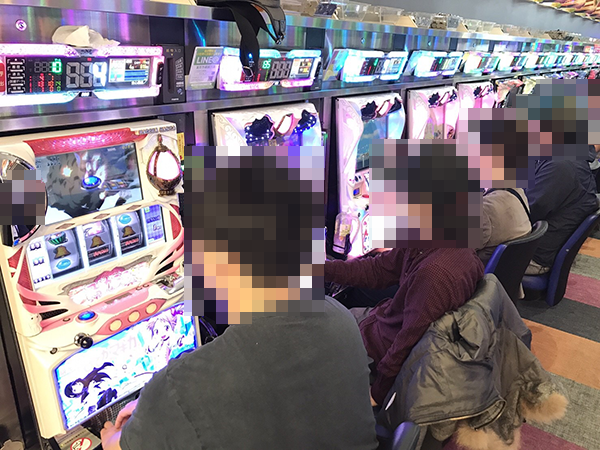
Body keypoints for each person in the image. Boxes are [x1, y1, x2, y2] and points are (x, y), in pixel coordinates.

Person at [101, 146, 379, 450]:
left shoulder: (179, 386)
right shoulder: (340, 317)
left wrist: (128, 427)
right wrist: (158, 410)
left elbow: (122, 444)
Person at [325, 248, 484, 406]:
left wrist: (377, 394)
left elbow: (406, 346)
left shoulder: (435, 275)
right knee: (327, 315)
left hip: (378, 354)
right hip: (381, 321)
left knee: (314, 335)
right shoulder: (426, 245)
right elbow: (378, 269)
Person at [525, 157, 598, 275]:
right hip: (535, 245)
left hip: (531, 255)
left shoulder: (560, 166)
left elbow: (526, 213)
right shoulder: (566, 159)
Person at [477, 187, 532, 266]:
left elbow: (461, 250)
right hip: (513, 263)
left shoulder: (485, 208)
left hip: (483, 266)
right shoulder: (517, 191)